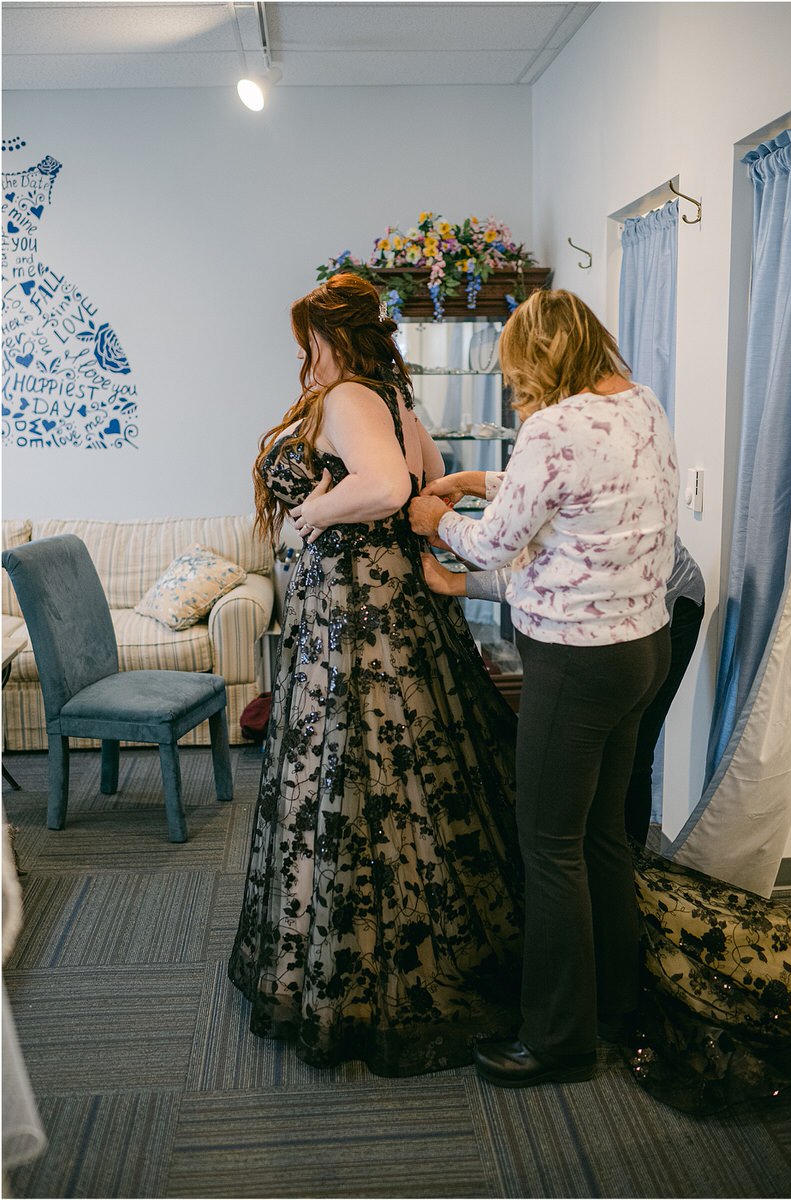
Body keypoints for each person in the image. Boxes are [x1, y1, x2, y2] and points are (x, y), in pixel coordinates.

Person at [228, 273, 526, 1077]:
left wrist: (314, 513)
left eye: (307, 343)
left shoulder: (350, 398)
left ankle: (367, 967)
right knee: (408, 773)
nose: (302, 357)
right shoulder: (392, 400)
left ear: (330, 339)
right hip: (393, 612)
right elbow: (428, 480)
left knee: (360, 773)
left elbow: (394, 489)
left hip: (356, 624)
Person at [409, 288, 679, 1088]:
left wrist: (439, 523)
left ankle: (557, 1041)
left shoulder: (551, 426)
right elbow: (578, 500)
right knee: (602, 836)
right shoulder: (639, 402)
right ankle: (613, 1001)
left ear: (539, 359)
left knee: (550, 847)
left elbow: (496, 543)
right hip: (642, 649)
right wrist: (483, 477)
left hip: (576, 663)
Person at [421, 534, 705, 845]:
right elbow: (524, 554)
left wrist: (455, 582)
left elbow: (547, 579)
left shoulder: (593, 498)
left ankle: (631, 862)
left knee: (633, 750)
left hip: (664, 608)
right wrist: (461, 545)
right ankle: (608, 859)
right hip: (604, 616)